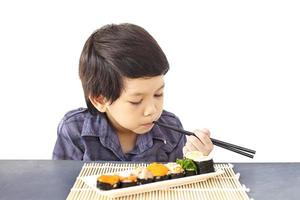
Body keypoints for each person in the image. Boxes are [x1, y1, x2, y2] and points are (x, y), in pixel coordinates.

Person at [52, 23, 213, 161]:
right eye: (136, 101)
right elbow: (62, 187)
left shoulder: (170, 129)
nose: (152, 110)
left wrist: (195, 160)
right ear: (100, 100)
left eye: (158, 94)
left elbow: (179, 187)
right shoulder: (75, 129)